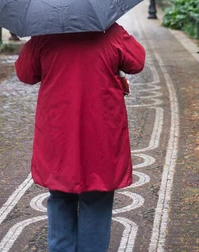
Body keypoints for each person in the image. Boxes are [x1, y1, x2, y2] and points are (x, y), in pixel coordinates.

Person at [15, 22, 146, 252]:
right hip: (100, 135)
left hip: (58, 135)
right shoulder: (110, 32)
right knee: (96, 199)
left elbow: (25, 73)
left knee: (60, 196)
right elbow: (137, 61)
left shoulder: (46, 34)